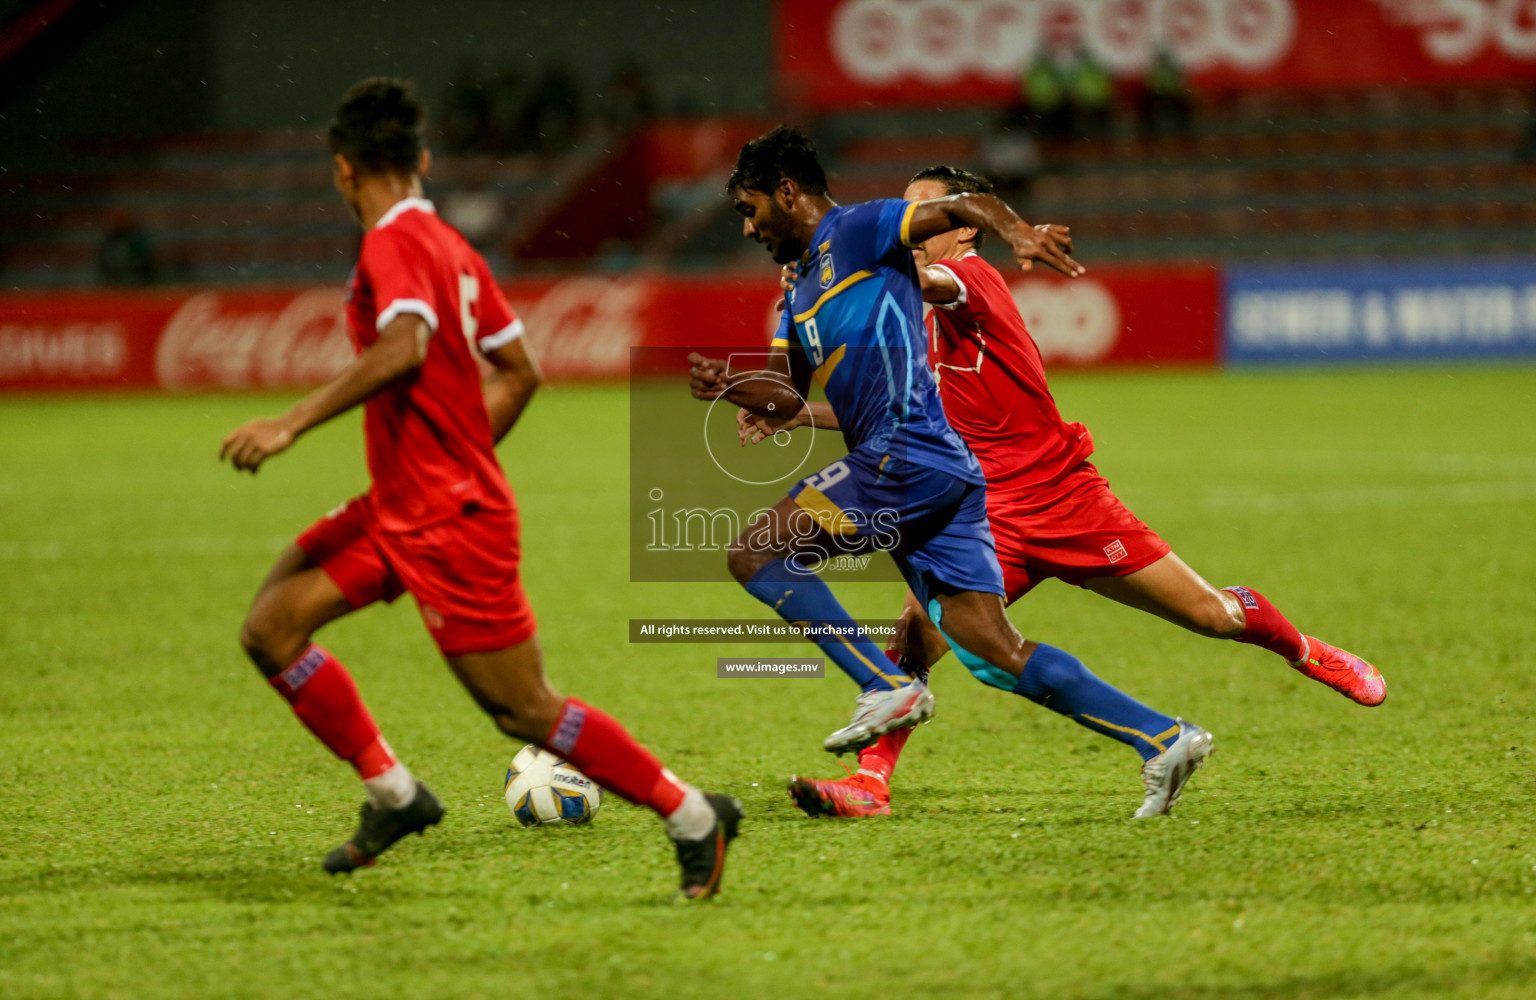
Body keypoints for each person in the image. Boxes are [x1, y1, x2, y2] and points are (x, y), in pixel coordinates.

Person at [732, 165, 1386, 818]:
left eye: (924, 215)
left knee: (1213, 615)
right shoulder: (909, 328)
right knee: (920, 632)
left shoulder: (967, 281)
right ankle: (872, 785)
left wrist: (864, 269)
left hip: (1064, 499)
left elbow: (926, 279)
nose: (908, 232)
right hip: (984, 510)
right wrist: (794, 411)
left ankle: (1308, 651)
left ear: (961, 230)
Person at [220, 77, 741, 899]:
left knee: (524, 710)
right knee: (272, 626)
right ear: (423, 160)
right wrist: (457, 448)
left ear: (343, 170)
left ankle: (692, 815)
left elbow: (404, 349)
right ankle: (395, 794)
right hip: (406, 505)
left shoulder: (390, 245)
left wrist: (291, 422)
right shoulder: (456, 249)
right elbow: (521, 373)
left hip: (447, 522)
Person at [690, 126, 1211, 820]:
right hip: (945, 475)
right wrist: (734, 388)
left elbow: (967, 207)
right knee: (993, 647)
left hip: (904, 457)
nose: (749, 226)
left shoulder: (861, 228)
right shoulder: (798, 291)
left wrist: (1019, 232)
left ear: (788, 193)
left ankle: (884, 686)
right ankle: (1164, 738)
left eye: (751, 208)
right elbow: (787, 396)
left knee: (755, 551)